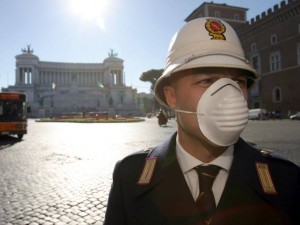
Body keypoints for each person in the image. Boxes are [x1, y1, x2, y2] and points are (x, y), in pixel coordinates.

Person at [103, 17, 300, 225]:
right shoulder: (130, 176)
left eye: (238, 82)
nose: (228, 95)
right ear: (172, 97)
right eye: (206, 81)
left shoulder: (285, 178)